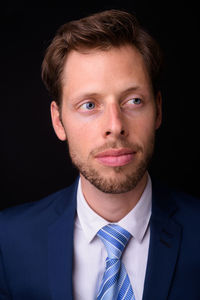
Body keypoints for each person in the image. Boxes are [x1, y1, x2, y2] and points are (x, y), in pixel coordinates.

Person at [0, 9, 200, 300]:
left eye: (133, 100)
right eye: (89, 105)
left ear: (157, 109)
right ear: (58, 121)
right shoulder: (8, 242)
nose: (115, 127)